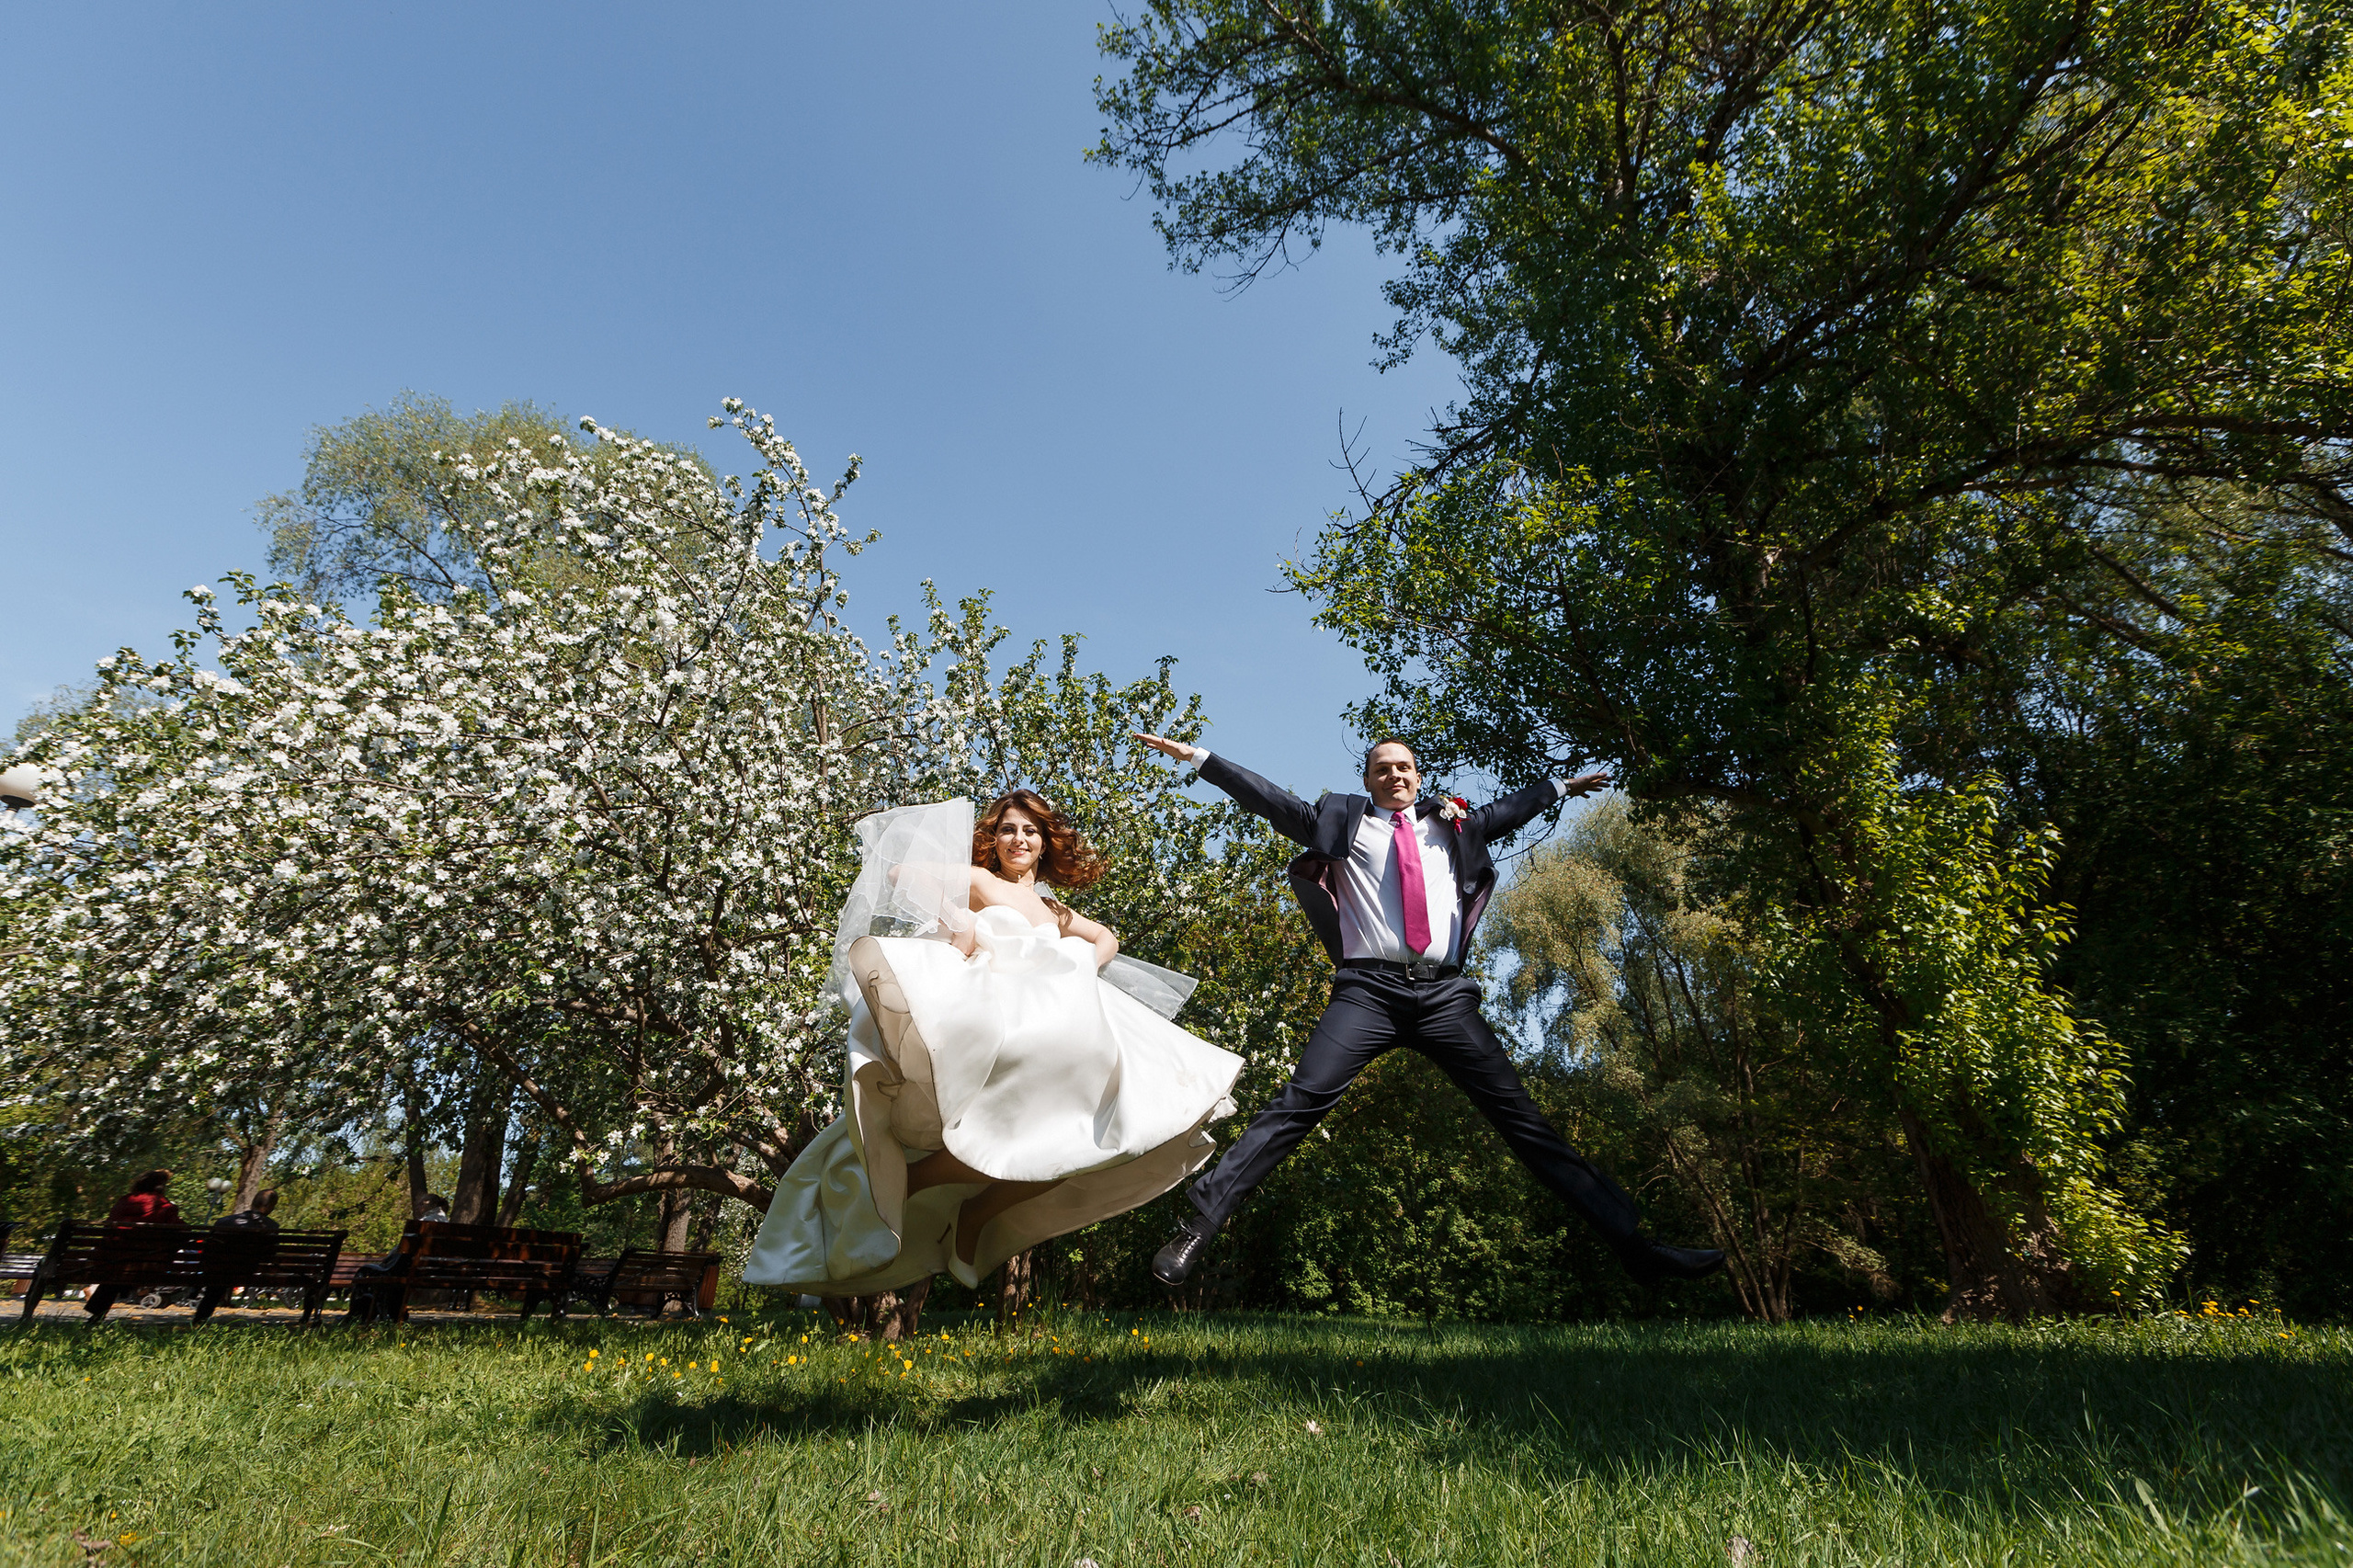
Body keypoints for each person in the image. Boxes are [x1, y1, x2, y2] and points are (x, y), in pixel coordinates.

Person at [1135, 733, 1726, 1289]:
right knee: (1300, 1102)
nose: (1394, 775)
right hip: (1369, 993)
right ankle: (1196, 1231)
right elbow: (1268, 799)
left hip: (1444, 996)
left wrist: (1563, 788)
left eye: (1404, 767)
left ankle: (1638, 1249)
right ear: (1367, 780)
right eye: (1381, 768)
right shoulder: (1340, 824)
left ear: (1418, 778)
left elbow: (1512, 809)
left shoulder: (1452, 825)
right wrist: (1201, 758)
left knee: (1524, 1121)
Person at [743, 791, 1243, 1294]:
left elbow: (1106, 936)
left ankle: (974, 1212)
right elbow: (901, 874)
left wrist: (1086, 964)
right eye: (1007, 829)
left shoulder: (1054, 908)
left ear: (1045, 843)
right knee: (1028, 1124)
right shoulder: (983, 881)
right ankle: (913, 1185)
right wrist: (959, 921)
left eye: (1029, 830)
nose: (1018, 838)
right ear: (994, 839)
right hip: (1007, 1014)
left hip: (1062, 1017)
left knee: (1073, 1143)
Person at [83, 1169, 187, 1319]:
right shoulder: (167, 1208)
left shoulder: (123, 1202)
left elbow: (109, 1230)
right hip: (150, 1266)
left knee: (119, 1270)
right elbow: (182, 1234)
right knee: (132, 1266)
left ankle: (97, 1315)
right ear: (161, 1187)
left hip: (111, 1262)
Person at [193, 1188, 279, 1320]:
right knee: (225, 1274)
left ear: (253, 1203)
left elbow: (210, 1250)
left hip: (219, 1271)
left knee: (218, 1280)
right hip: (248, 1270)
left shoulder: (224, 1222)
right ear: (269, 1206)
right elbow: (270, 1254)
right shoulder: (272, 1226)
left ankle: (200, 1318)